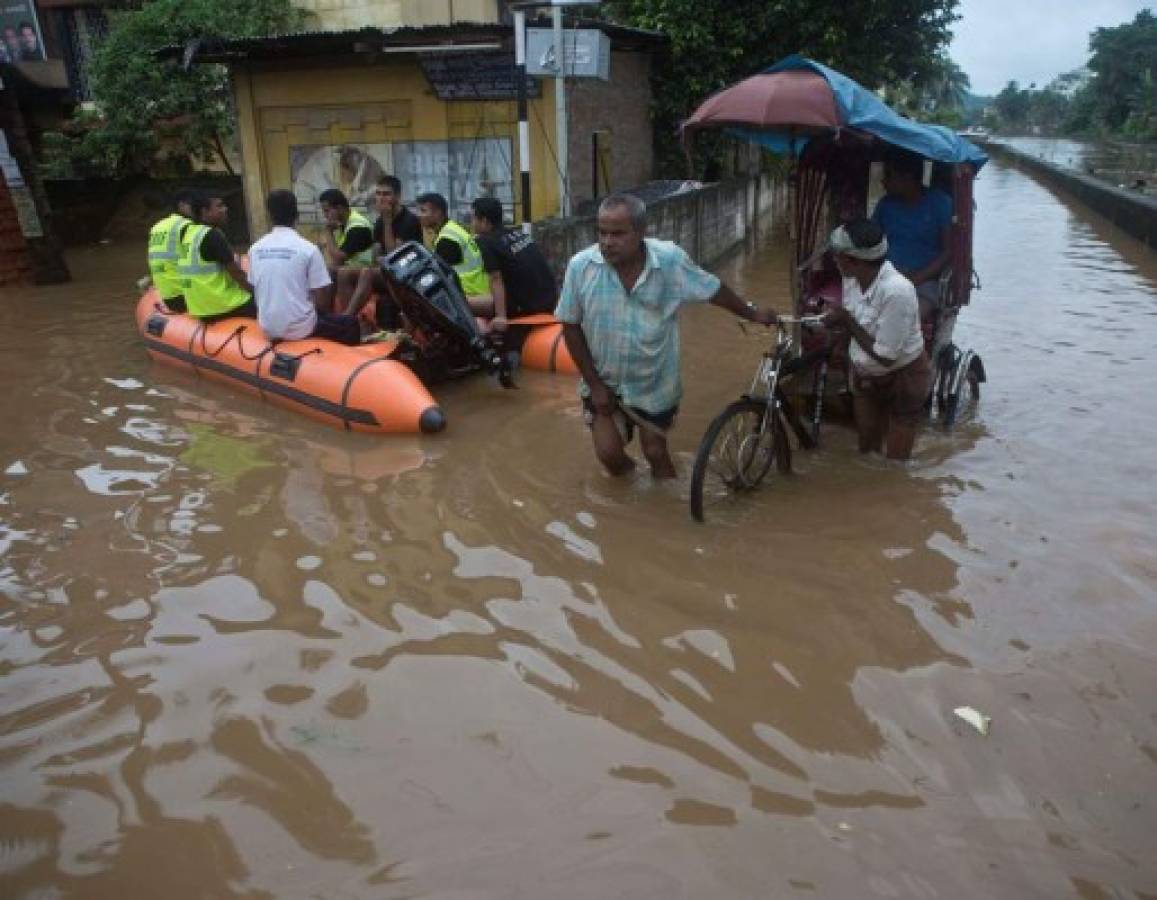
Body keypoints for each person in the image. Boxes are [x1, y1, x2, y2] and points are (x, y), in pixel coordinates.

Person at [556, 193, 777, 480]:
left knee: (656, 452)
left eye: (618, 234)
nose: (607, 242)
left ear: (640, 232)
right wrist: (595, 385)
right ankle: (632, 498)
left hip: (654, 381)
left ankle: (666, 507)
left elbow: (712, 289)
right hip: (604, 379)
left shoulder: (670, 261)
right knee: (609, 455)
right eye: (602, 232)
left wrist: (751, 313)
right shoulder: (580, 267)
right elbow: (570, 326)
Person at [822, 218, 929, 461]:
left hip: (903, 376)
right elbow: (853, 317)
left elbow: (887, 356)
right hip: (866, 375)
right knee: (867, 451)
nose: (834, 259)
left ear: (855, 261)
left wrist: (846, 320)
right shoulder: (851, 277)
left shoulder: (897, 292)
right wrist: (838, 344)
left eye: (838, 255)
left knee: (896, 462)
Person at [250, 189, 361, 345]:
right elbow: (322, 302)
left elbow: (256, 289)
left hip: (267, 327)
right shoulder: (308, 249)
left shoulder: (255, 249)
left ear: (269, 216)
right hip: (300, 329)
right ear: (297, 215)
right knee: (350, 324)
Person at [870, 149, 953, 323]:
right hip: (887, 278)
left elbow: (948, 252)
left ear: (907, 177)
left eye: (889, 175)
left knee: (905, 320)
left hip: (924, 283)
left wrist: (914, 279)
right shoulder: (885, 205)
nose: (883, 181)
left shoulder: (940, 203)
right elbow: (871, 242)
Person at [337, 175, 423, 327]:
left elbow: (393, 258)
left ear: (397, 196)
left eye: (386, 194)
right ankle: (354, 323)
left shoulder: (409, 220)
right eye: (378, 193)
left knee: (367, 273)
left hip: (407, 275)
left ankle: (346, 319)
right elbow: (375, 256)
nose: (381, 198)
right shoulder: (378, 222)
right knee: (344, 272)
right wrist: (382, 258)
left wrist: (388, 221)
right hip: (386, 272)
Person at [470, 196, 557, 331]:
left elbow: (495, 278)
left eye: (473, 218)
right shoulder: (517, 234)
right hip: (548, 300)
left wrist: (501, 317)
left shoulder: (486, 242)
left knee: (464, 303)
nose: (472, 223)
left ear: (484, 221)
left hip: (527, 307)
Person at [176, 191, 257, 322]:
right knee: (268, 304)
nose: (225, 209)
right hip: (221, 305)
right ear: (204, 211)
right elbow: (237, 274)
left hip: (198, 307)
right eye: (219, 206)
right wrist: (257, 292)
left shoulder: (186, 232)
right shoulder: (212, 236)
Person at [415, 192, 490, 300]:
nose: (419, 215)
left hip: (468, 293)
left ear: (438, 213)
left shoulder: (447, 240)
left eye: (423, 211)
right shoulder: (451, 229)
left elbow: (438, 276)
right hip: (476, 290)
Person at [147, 188, 197, 313]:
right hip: (187, 296)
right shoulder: (188, 226)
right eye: (195, 203)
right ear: (182, 205)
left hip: (168, 295)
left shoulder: (157, 227)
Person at [318, 188, 374, 272]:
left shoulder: (358, 227)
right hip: (350, 271)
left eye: (327, 211)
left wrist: (328, 231)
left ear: (340, 208)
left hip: (365, 272)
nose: (325, 215)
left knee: (328, 271)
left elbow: (338, 259)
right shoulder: (341, 224)